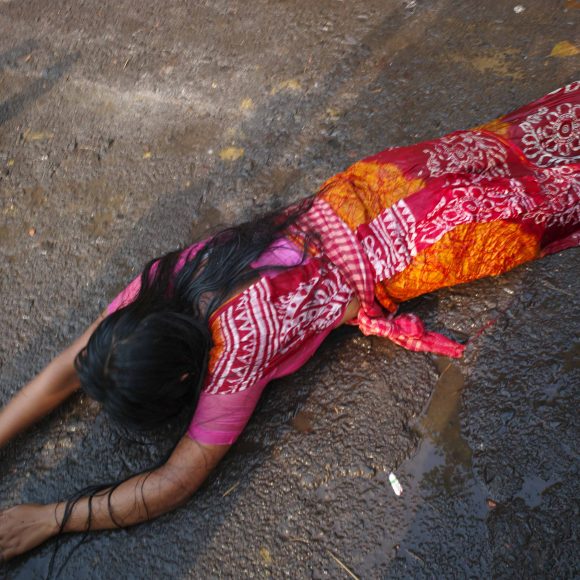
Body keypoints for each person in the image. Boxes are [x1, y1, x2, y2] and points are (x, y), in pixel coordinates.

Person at [0, 82, 578, 565]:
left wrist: (51, 519)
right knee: (519, 142)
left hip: (430, 241)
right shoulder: (165, 278)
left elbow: (176, 480)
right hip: (380, 182)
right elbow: (66, 370)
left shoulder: (235, 354)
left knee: (555, 196)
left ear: (183, 381)